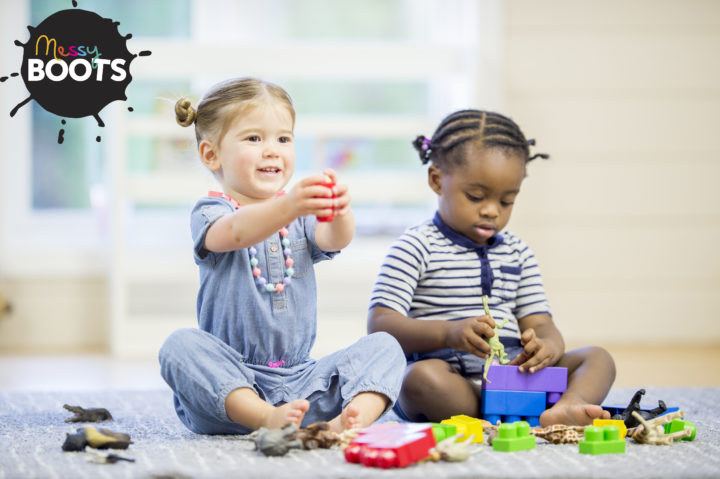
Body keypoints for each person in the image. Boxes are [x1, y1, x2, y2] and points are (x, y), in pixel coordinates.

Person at [159, 77, 405, 435]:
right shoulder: (211, 212)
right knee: (179, 347)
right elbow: (238, 232)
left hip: (302, 381)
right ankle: (263, 417)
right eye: (254, 138)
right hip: (230, 388)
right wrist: (289, 205)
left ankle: (346, 421)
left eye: (283, 139)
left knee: (385, 348)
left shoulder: (299, 217)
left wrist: (338, 211)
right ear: (212, 154)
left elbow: (335, 239)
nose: (272, 150)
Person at [368, 109, 616, 427]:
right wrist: (449, 332)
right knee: (420, 379)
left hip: (515, 374)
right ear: (436, 180)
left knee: (597, 359)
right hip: (451, 377)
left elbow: (540, 322)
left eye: (506, 201)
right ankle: (496, 414)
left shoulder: (518, 252)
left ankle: (567, 405)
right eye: (475, 196)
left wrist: (550, 346)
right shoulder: (415, 247)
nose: (491, 211)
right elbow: (380, 324)